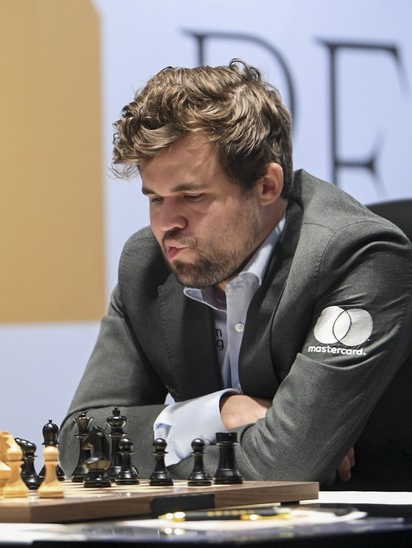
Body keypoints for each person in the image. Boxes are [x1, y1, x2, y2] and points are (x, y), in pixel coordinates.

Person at [59, 59, 412, 491]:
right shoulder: (148, 264)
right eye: (155, 199)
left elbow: (283, 467)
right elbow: (80, 446)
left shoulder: (358, 256)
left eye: (191, 197)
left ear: (267, 186)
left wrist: (160, 450)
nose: (166, 224)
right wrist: (221, 411)